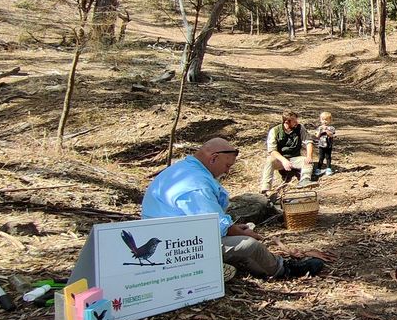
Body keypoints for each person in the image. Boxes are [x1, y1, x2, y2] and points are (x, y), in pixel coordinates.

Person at [143, 138, 324, 279]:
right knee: (250, 245)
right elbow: (210, 220)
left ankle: (243, 267)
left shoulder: (187, 169)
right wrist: (234, 230)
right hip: (173, 245)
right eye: (227, 165)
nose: (227, 171)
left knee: (242, 245)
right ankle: (283, 270)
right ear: (213, 158)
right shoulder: (195, 184)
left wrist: (233, 229)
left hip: (176, 234)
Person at [260, 111, 314, 194]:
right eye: (294, 121)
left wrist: (309, 156)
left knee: (306, 161)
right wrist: (284, 161)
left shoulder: (300, 128)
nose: (296, 123)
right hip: (281, 160)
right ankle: (266, 188)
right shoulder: (274, 131)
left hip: (295, 158)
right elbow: (272, 151)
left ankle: (305, 180)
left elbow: (308, 142)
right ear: (286, 122)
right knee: (269, 160)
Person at [314, 111, 336, 177]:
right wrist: (320, 131)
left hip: (329, 145)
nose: (325, 121)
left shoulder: (331, 128)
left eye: (326, 120)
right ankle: (319, 168)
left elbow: (331, 135)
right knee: (321, 157)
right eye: (323, 120)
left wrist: (326, 130)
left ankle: (328, 168)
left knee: (328, 157)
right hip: (321, 145)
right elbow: (317, 136)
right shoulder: (319, 128)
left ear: (330, 120)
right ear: (320, 120)